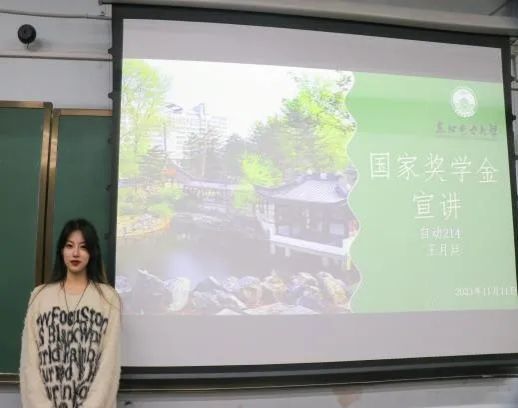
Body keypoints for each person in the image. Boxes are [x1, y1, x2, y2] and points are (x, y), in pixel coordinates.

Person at [20, 219, 121, 408]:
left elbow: (109, 366)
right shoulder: (39, 296)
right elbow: (29, 363)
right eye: (69, 246)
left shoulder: (108, 299)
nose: (75, 253)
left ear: (92, 252)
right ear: (61, 250)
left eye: (83, 247)